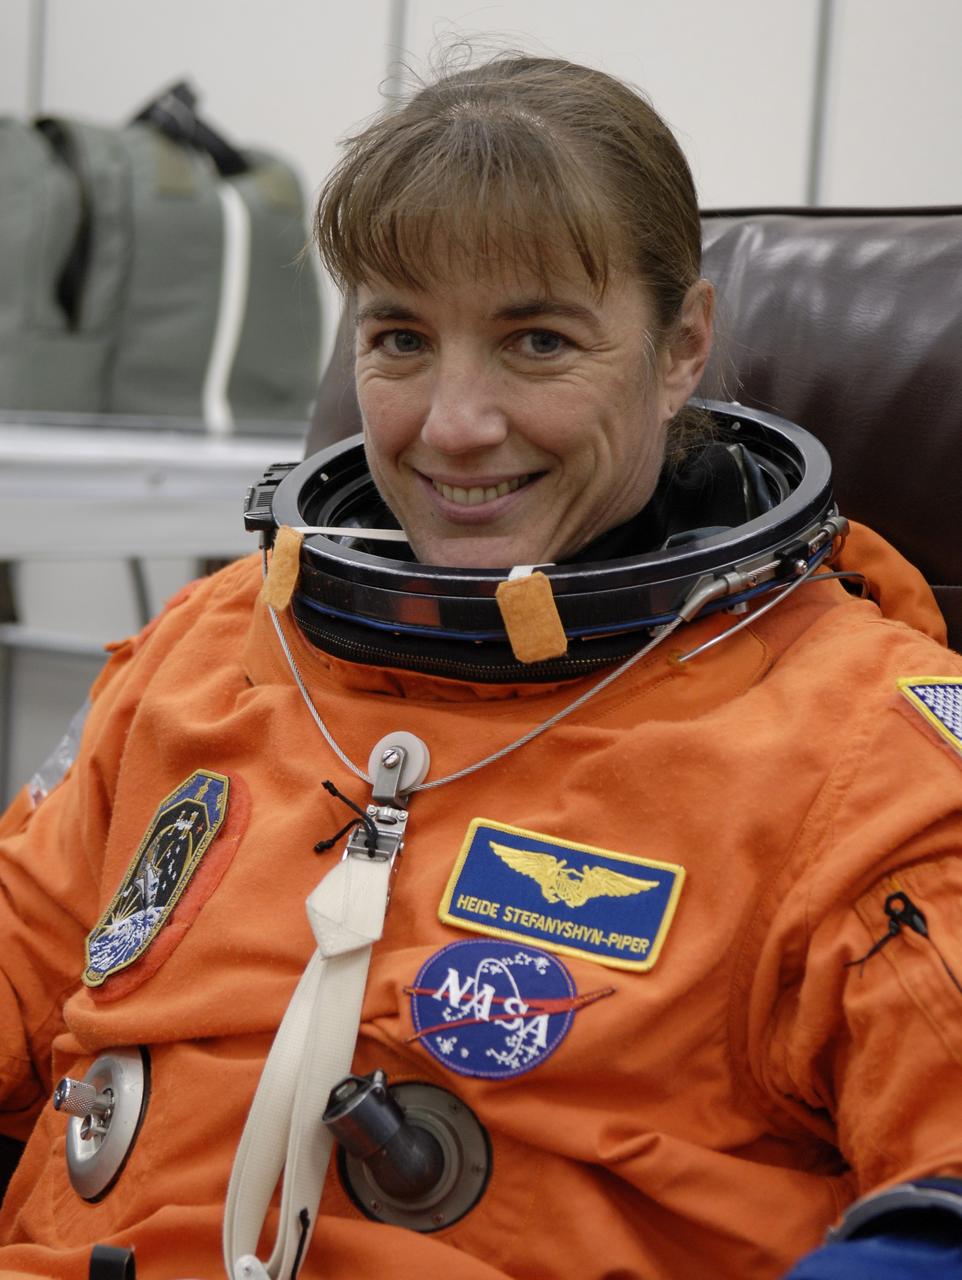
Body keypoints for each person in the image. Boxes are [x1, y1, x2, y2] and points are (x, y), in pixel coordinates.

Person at [2, 52, 962, 1280]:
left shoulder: (858, 747)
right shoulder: (214, 647)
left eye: (537, 341)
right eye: (400, 337)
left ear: (680, 348)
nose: (452, 425)